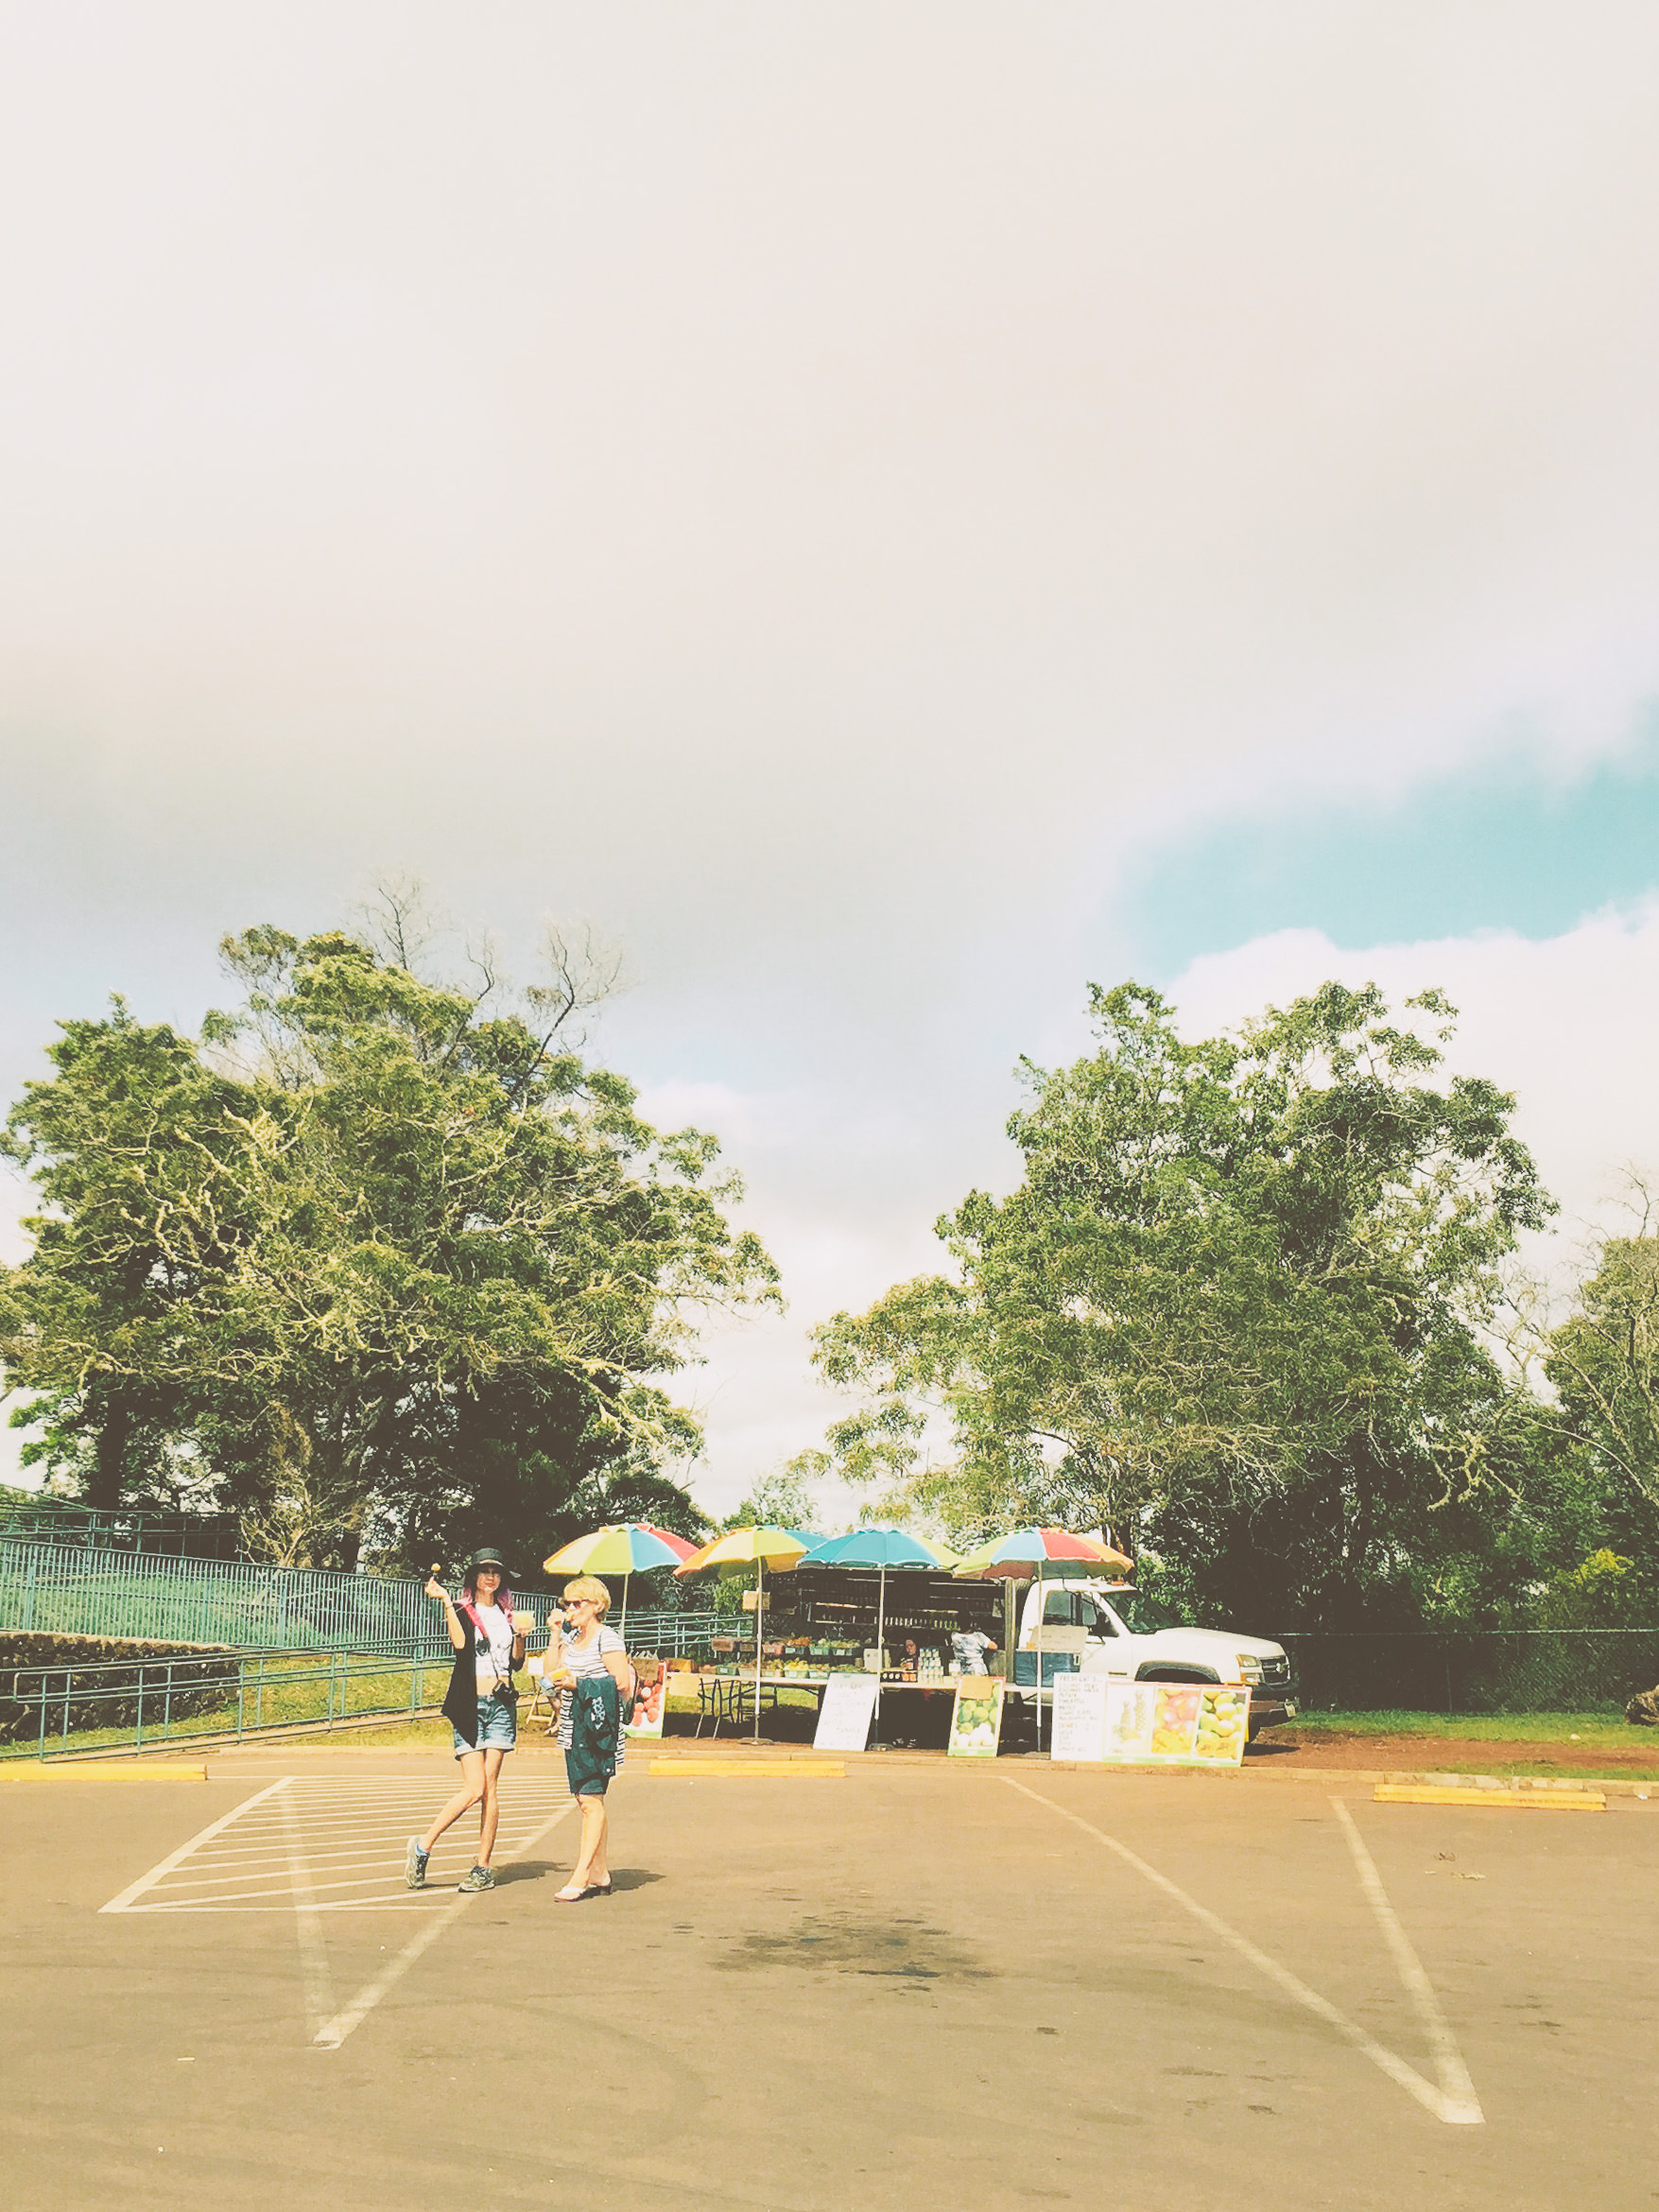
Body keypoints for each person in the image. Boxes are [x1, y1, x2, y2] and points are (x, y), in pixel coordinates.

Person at [405, 1546, 530, 1893]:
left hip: (501, 1706)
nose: (491, 1577)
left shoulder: (508, 1617)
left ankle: (483, 1866)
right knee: (474, 1788)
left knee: (490, 1789)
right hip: (469, 1705)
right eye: (484, 1571)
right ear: (474, 1577)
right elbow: (460, 1644)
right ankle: (423, 1845)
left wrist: (521, 1634)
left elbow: (516, 1663)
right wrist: (446, 1601)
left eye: (496, 1572)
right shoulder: (463, 1609)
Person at [545, 1574, 632, 1902]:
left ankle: (581, 1875)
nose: (570, 1609)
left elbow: (621, 1682)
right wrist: (556, 1635)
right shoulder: (573, 1637)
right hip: (573, 1727)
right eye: (567, 1603)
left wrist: (579, 1684)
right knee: (589, 1800)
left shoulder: (606, 1638)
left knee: (589, 1801)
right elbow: (549, 1675)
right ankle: (600, 1873)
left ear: (596, 1605)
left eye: (577, 1603)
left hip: (597, 1731)